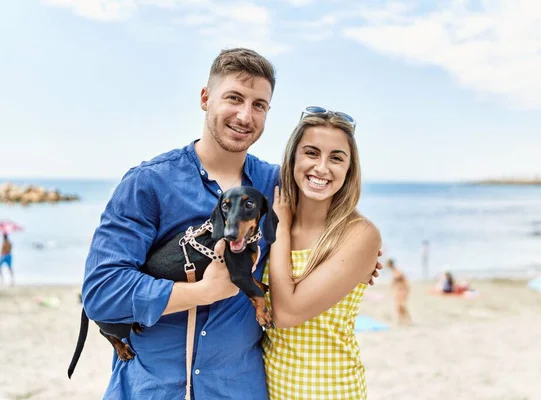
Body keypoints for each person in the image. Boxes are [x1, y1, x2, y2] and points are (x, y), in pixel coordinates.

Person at [81, 49, 381, 399]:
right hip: (155, 389)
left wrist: (363, 256)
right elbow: (102, 293)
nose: (245, 115)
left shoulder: (276, 185)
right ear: (206, 98)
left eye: (259, 105)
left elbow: (327, 220)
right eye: (234, 98)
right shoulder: (149, 183)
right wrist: (203, 292)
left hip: (239, 388)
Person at [263, 108, 382, 399]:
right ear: (293, 159)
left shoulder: (359, 235)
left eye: (336, 158)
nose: (322, 167)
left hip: (329, 389)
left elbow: (286, 313)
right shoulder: (267, 225)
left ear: (350, 170)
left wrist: (280, 227)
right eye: (312, 153)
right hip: (269, 386)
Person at [386, 258, 411, 323]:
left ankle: (408, 319)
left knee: (401, 305)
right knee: (398, 306)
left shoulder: (397, 271)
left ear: (390, 264)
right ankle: (401, 320)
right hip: (398, 290)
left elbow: (400, 279)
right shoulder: (394, 271)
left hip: (402, 289)